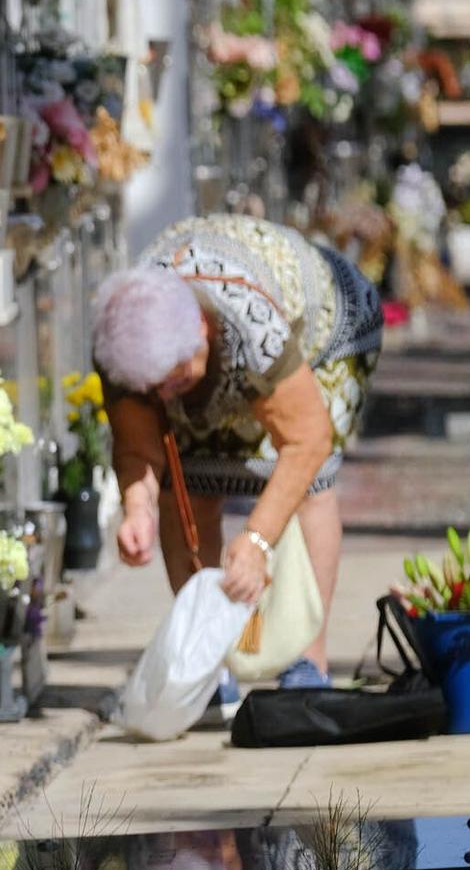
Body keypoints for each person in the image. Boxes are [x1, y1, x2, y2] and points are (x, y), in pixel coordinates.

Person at [91, 214, 384, 691]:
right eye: (153, 386)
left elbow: (307, 442)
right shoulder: (121, 341)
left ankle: (305, 661)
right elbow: (139, 447)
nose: (165, 394)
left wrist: (257, 539)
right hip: (223, 347)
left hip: (326, 331)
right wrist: (136, 507)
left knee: (308, 484)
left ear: (202, 331)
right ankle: (208, 662)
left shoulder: (251, 323)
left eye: (176, 376)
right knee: (186, 483)